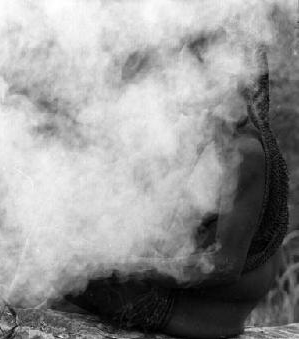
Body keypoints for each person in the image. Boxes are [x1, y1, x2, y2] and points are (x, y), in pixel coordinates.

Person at [64, 47, 289, 339]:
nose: (178, 83)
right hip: (193, 285)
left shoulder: (247, 152)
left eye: (189, 75)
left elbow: (224, 266)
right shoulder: (213, 133)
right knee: (68, 259)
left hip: (211, 306)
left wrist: (136, 268)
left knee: (68, 278)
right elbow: (168, 215)